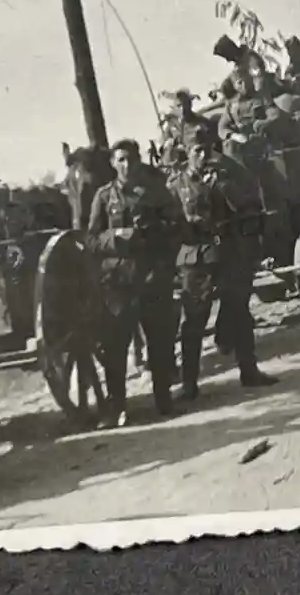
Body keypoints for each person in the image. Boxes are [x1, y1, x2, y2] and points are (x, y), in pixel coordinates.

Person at [169, 129, 277, 400]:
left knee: (239, 311)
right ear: (187, 154)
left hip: (228, 251)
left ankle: (249, 372)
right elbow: (169, 224)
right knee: (194, 319)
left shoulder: (229, 176)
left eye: (208, 149)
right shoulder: (176, 185)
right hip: (196, 258)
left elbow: (249, 207)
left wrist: (224, 186)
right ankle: (190, 384)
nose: (204, 156)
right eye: (197, 151)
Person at [86, 138, 180, 426]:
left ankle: (164, 400)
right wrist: (114, 238)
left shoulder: (157, 193)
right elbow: (90, 239)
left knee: (160, 341)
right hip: (118, 283)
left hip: (152, 277)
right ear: (113, 164)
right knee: (115, 348)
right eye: (121, 160)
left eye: (131, 159)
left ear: (139, 162)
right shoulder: (103, 197)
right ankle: (116, 408)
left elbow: (176, 227)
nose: (127, 165)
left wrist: (154, 238)